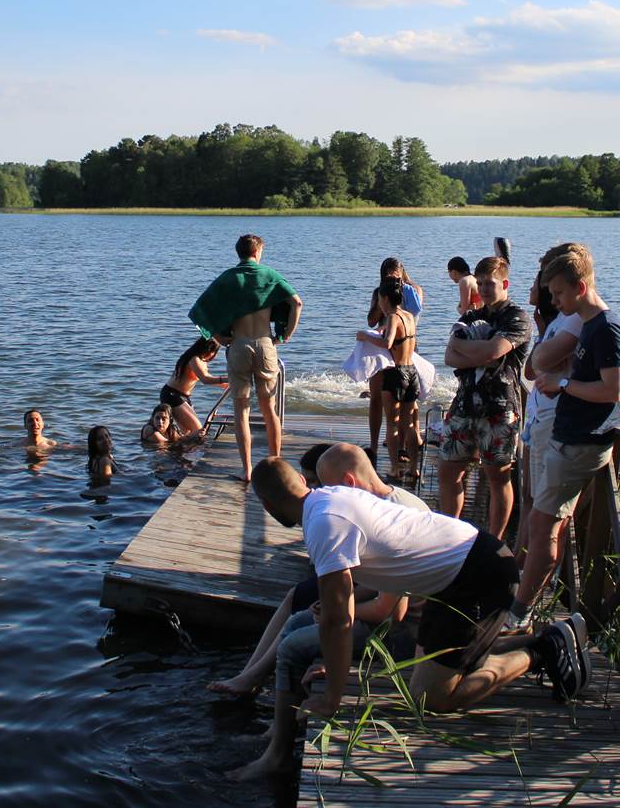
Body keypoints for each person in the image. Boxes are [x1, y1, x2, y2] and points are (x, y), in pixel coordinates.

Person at [227, 458, 590, 780]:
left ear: (267, 504)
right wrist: (341, 667)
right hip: (454, 573)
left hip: (479, 575)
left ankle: (543, 648)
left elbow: (338, 623)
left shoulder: (323, 524)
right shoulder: (330, 498)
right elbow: (348, 608)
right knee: (430, 669)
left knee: (433, 697)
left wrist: (332, 699)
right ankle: (277, 745)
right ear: (303, 483)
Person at [206, 443, 425, 700]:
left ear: (348, 481)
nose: (322, 495)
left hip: (408, 634)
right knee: (299, 614)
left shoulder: (391, 517)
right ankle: (255, 682)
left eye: (325, 487)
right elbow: (381, 587)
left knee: (294, 643)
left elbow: (389, 611)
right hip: (390, 610)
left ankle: (278, 729)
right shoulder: (388, 500)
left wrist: (337, 612)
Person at [514, 246, 620, 629]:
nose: (555, 301)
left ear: (580, 287)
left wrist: (562, 384)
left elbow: (613, 390)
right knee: (544, 523)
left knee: (542, 526)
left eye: (560, 294)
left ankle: (520, 611)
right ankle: (531, 606)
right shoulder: (586, 323)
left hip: (578, 444)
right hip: (569, 437)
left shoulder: (606, 329)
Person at [188, 234, 303, 483]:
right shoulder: (270, 275)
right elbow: (296, 303)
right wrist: (285, 336)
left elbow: (198, 313)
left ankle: (247, 470)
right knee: (268, 409)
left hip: (238, 345)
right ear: (258, 251)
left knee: (241, 410)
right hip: (265, 344)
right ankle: (275, 464)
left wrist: (219, 337)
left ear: (238, 252)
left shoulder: (229, 278)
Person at [437, 256, 532, 540]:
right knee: (448, 471)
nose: (484, 289)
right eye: (479, 283)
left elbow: (494, 351)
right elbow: (450, 355)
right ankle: (447, 535)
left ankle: (494, 540)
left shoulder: (517, 318)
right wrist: (483, 354)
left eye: (489, 284)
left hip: (499, 408)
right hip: (464, 404)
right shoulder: (471, 315)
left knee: (498, 476)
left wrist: (476, 352)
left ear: (504, 283)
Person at [515, 245, 586, 575]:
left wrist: (543, 335)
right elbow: (533, 369)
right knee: (531, 499)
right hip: (537, 418)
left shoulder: (570, 321)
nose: (537, 285)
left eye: (541, 278)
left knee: (546, 511)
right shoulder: (554, 321)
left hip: (553, 421)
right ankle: (518, 565)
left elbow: (534, 366)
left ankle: (532, 576)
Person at [357, 276, 421, 481]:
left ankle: (395, 468)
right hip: (412, 373)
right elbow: (402, 336)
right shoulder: (408, 316)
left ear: (384, 299)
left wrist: (366, 337)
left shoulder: (393, 317)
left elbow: (387, 343)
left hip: (396, 374)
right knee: (409, 424)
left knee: (393, 424)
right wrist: (380, 331)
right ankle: (413, 467)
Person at [159, 336, 228, 439]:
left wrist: (225, 385)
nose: (214, 355)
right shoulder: (194, 359)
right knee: (198, 430)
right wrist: (228, 378)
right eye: (214, 352)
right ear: (208, 350)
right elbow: (205, 379)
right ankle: (179, 450)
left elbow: (204, 378)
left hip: (183, 396)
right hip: (172, 395)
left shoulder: (202, 361)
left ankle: (180, 452)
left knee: (187, 432)